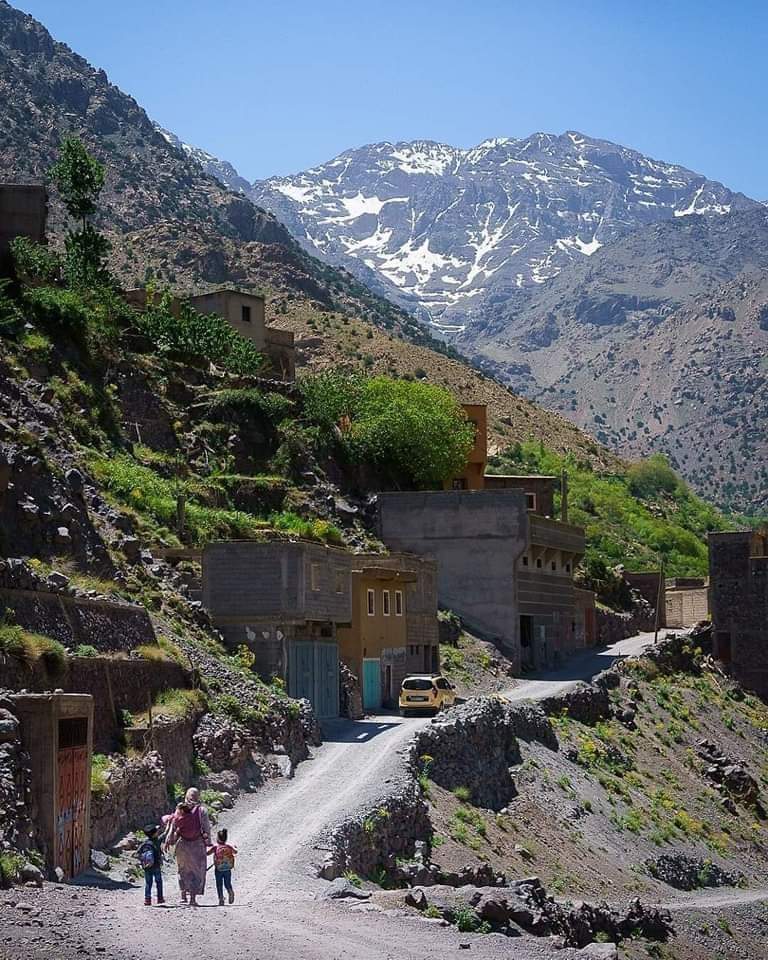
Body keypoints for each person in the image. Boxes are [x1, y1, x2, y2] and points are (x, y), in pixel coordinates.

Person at [165, 788, 211, 906]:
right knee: (196, 871)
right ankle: (193, 899)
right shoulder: (201, 810)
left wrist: (169, 839)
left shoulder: (180, 808)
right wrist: (208, 842)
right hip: (197, 844)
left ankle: (183, 896)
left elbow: (174, 824)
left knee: (182, 870)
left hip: (182, 844)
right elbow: (206, 828)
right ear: (198, 796)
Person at [207, 828, 237, 906]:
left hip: (218, 869)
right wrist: (234, 847)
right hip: (227, 868)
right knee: (227, 883)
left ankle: (221, 899)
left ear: (217, 839)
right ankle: (230, 891)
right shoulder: (228, 846)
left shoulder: (215, 847)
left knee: (219, 884)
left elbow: (207, 853)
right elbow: (235, 852)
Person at [137, 824, 165, 907]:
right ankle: (160, 898)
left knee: (148, 883)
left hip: (147, 867)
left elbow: (138, 852)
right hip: (156, 865)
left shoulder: (145, 843)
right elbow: (163, 835)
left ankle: (147, 900)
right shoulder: (156, 841)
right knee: (158, 882)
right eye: (156, 832)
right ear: (154, 834)